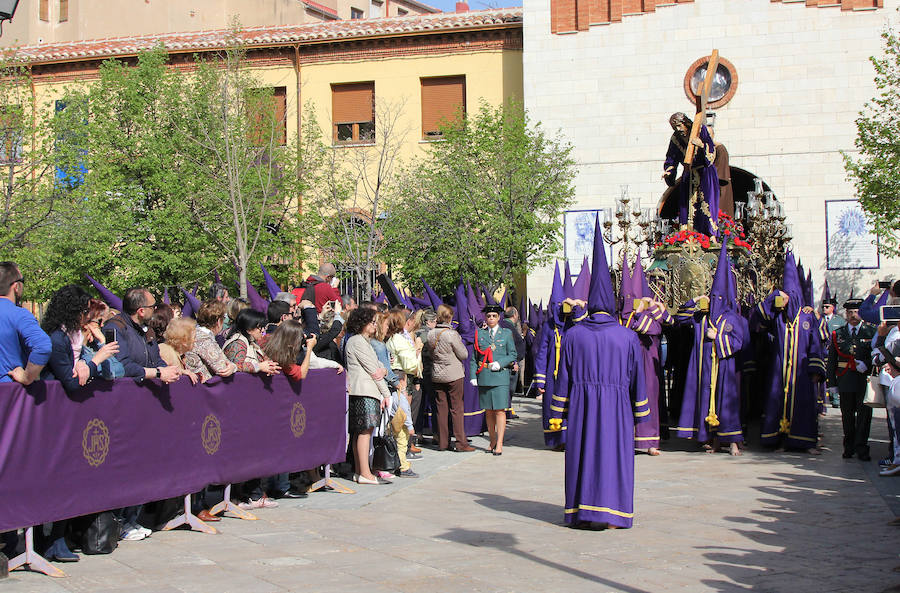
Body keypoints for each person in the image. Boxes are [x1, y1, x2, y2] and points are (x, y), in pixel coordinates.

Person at [549, 217, 648, 529]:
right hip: (617, 407)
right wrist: (640, 412)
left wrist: (558, 412)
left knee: (582, 454)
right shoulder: (628, 336)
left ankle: (582, 512)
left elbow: (562, 378)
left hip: (581, 405)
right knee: (614, 457)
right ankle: (612, 514)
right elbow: (637, 379)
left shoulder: (574, 335)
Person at [673, 242, 746, 456]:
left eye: (718, 298)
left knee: (727, 404)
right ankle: (713, 439)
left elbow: (738, 342)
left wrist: (719, 338)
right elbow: (680, 318)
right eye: (712, 297)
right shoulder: (701, 318)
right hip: (705, 368)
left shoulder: (731, 318)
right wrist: (694, 300)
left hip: (724, 368)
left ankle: (732, 441)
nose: (714, 302)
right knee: (707, 403)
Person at [756, 254, 826, 453]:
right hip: (780, 370)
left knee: (804, 406)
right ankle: (778, 439)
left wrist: (815, 369)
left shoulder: (807, 317)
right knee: (777, 403)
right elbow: (758, 316)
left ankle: (806, 442)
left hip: (801, 370)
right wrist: (774, 296)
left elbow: (815, 344)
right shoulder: (778, 317)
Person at [343, 307, 393, 484]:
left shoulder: (363, 341)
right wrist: (386, 393)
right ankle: (364, 472)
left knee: (362, 432)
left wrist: (384, 369)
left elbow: (380, 366)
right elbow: (374, 370)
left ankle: (360, 471)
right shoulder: (357, 341)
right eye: (372, 322)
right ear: (362, 323)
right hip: (364, 391)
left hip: (364, 390)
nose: (375, 325)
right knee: (364, 432)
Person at [41, 285, 119, 393]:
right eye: (86, 312)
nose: (88, 317)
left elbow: (117, 371)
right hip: (55, 401)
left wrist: (81, 362)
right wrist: (96, 360)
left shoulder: (73, 335)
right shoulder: (57, 339)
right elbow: (72, 384)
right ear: (72, 312)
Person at [827, 297, 876, 460]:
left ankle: (862, 448)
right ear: (845, 314)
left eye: (856, 312)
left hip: (864, 381)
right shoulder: (838, 333)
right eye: (850, 312)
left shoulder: (871, 331)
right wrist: (832, 383)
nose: (853, 315)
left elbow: (878, 355)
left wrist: (867, 364)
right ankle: (849, 447)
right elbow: (832, 359)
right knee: (847, 416)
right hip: (845, 379)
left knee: (864, 416)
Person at [103, 288, 181, 384]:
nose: (155, 309)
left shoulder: (148, 329)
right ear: (141, 311)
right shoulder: (115, 328)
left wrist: (171, 371)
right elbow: (121, 365)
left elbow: (156, 359)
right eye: (152, 306)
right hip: (124, 392)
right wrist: (157, 373)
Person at [663, 112, 720, 235]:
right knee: (686, 206)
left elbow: (711, 150)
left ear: (685, 123)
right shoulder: (676, 138)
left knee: (706, 204)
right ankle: (688, 235)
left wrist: (701, 145)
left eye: (679, 126)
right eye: (674, 127)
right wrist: (669, 171)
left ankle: (710, 234)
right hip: (689, 174)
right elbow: (671, 158)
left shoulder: (699, 130)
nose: (678, 130)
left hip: (705, 173)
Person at [471, 304, 518, 455]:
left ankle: (499, 443)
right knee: (489, 411)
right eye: (489, 316)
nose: (491, 319)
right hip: (485, 376)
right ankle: (492, 440)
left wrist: (501, 363)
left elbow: (512, 354)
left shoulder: (506, 334)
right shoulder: (480, 334)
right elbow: (474, 358)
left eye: (494, 316)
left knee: (500, 411)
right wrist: (473, 376)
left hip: (500, 377)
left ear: (499, 318)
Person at [428, 304, 475, 452]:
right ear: (450, 317)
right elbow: (464, 354)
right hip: (453, 374)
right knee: (456, 409)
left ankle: (443, 443)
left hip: (437, 374)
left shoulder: (431, 334)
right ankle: (461, 443)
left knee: (441, 409)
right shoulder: (451, 334)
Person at [0, 261, 51, 385]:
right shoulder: (19, 315)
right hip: (8, 394)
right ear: (16, 286)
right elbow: (43, 346)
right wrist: (27, 377)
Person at [184, 300, 238, 383]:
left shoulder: (195, 333)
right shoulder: (203, 338)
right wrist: (234, 367)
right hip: (203, 389)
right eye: (223, 318)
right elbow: (222, 368)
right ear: (219, 321)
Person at [223, 308, 281, 376]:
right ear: (249, 330)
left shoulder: (252, 341)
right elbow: (236, 366)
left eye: (263, 327)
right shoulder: (238, 343)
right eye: (260, 327)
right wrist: (259, 367)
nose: (263, 331)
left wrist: (269, 365)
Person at [821, 282, 846, 407]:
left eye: (827, 307)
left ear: (832, 308)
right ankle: (823, 399)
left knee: (834, 374)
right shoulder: (818, 319)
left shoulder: (840, 321)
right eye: (823, 307)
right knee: (824, 374)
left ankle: (835, 399)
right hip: (822, 351)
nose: (824, 309)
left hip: (835, 351)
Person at [502, 306, 526, 420]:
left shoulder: (507, 326)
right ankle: (506, 412)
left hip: (509, 362)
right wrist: (514, 361)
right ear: (515, 315)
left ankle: (508, 410)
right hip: (510, 364)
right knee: (508, 389)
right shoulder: (508, 327)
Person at [160, 317, 200, 383]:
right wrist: (182, 372)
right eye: (194, 337)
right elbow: (163, 371)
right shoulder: (166, 351)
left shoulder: (181, 355)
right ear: (184, 340)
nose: (195, 340)